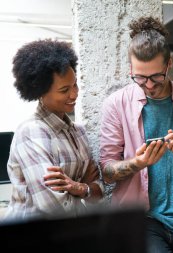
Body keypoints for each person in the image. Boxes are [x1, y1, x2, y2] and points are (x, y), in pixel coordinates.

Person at [99, 17, 173, 253]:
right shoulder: (116, 104)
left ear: (169, 64)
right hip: (143, 222)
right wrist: (137, 163)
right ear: (131, 69)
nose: (149, 85)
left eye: (155, 77)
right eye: (140, 77)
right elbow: (107, 172)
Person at [5, 39, 103, 220]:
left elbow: (99, 192)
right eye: (64, 89)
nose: (74, 94)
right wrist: (84, 190)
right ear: (40, 91)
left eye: (75, 85)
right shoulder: (31, 133)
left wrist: (79, 188)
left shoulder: (78, 132)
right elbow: (52, 207)